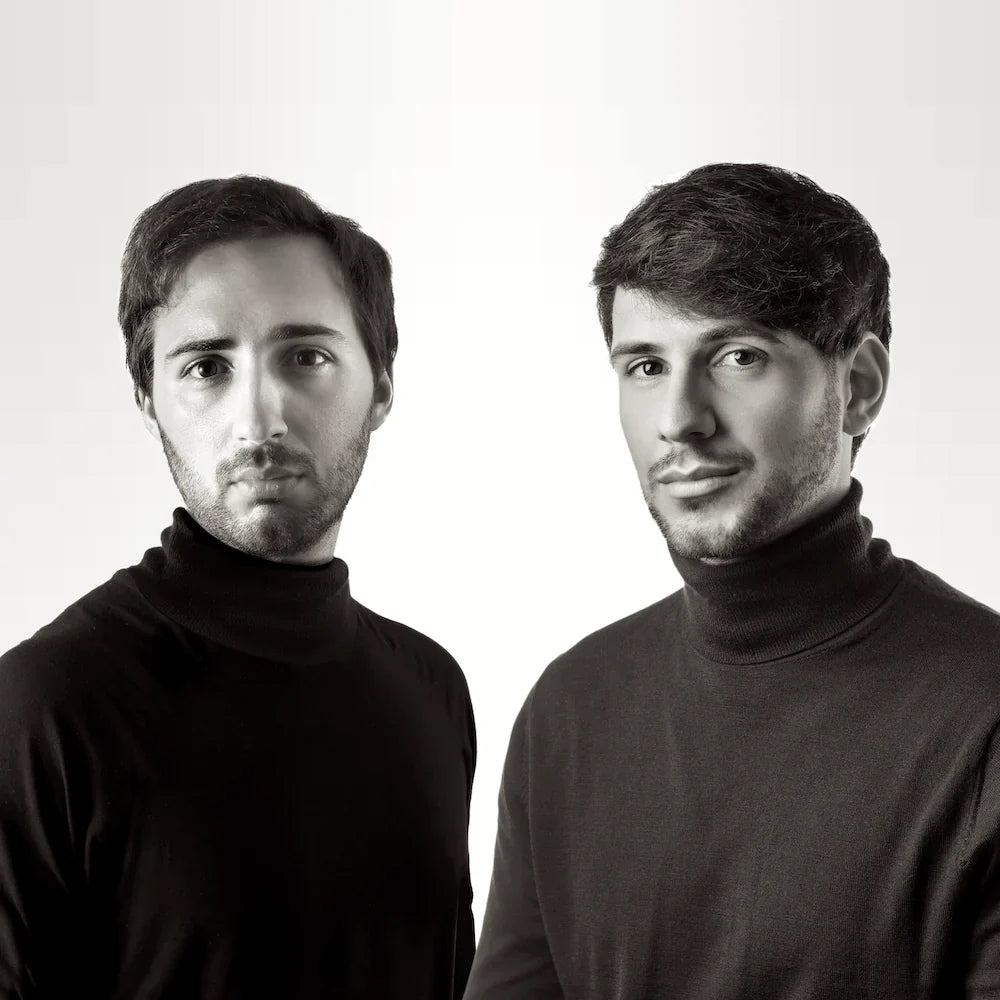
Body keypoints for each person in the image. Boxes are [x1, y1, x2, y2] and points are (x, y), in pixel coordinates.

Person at [464, 163, 1000, 999]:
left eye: (738, 356)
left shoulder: (983, 714)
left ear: (858, 387)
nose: (680, 420)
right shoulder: (569, 710)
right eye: (645, 367)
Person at [0, 176, 476, 998]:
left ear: (382, 385)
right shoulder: (45, 708)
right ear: (148, 400)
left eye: (306, 357)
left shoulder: (432, 689)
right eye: (206, 367)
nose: (259, 420)